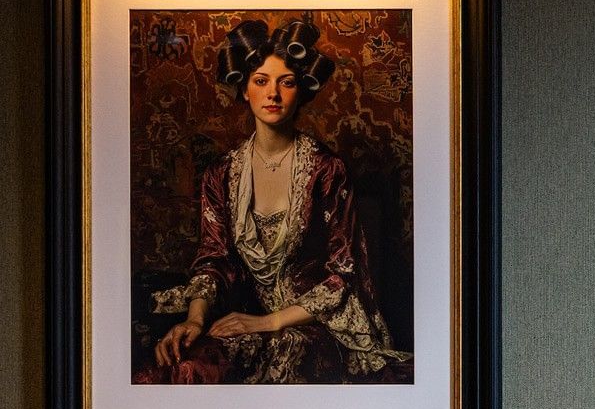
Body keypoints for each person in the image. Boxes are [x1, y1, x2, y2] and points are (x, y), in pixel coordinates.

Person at [143, 19, 411, 385]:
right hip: (245, 318)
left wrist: (269, 322)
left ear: (300, 91)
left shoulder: (326, 170)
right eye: (260, 81)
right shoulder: (220, 174)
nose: (273, 94)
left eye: (286, 82)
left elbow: (343, 273)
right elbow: (214, 259)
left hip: (318, 327)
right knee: (179, 362)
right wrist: (194, 319)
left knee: (222, 362)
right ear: (244, 89)